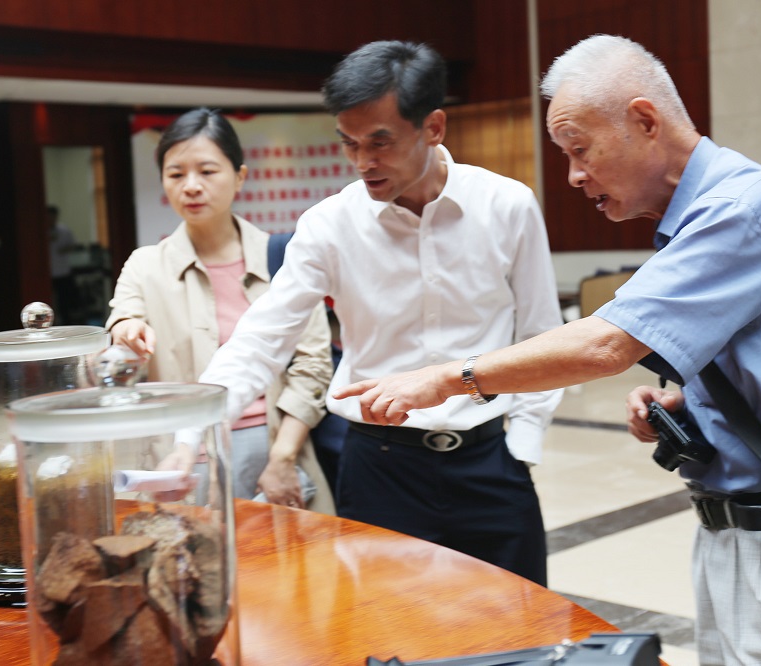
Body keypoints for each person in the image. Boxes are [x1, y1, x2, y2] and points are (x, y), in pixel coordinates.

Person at [334, 34, 761, 665]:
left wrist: (448, 378)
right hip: (742, 533)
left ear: (645, 121)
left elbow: (604, 344)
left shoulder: (742, 208)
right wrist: (691, 405)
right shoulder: (704, 213)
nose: (574, 175)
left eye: (580, 149)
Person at [198, 40, 564, 585]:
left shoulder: (506, 205)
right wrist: (191, 433)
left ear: (433, 127)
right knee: (387, 626)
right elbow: (262, 338)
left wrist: (523, 444)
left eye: (380, 142)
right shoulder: (328, 225)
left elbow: (540, 332)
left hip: (489, 462)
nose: (362, 162)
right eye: (349, 143)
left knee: (519, 622)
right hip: (379, 470)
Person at [106, 107, 335, 514]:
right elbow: (124, 317)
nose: (191, 186)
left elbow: (312, 367)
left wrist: (282, 457)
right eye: (176, 174)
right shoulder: (145, 265)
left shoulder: (285, 260)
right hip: (179, 456)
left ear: (240, 176)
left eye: (207, 171)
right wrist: (127, 330)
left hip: (274, 445)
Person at [48, 205, 80, 324]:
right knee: (50, 302)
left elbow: (73, 245)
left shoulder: (64, 230)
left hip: (63, 271)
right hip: (48, 273)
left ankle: (66, 323)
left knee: (64, 302)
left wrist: (64, 249)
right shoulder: (40, 230)